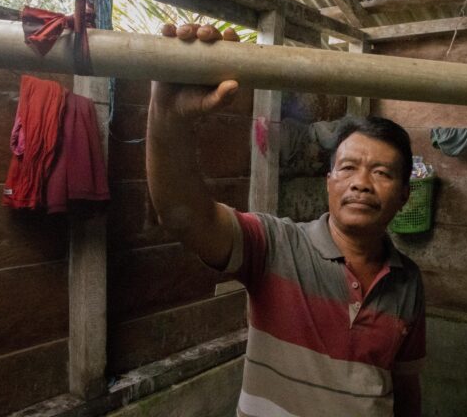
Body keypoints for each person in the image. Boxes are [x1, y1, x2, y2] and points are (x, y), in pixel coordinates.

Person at [146, 24, 426, 416]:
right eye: (347, 168)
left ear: (403, 195)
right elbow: (183, 215)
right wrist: (169, 116)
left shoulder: (408, 281)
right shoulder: (275, 245)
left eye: (381, 173)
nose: (361, 183)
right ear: (328, 181)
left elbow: (405, 386)